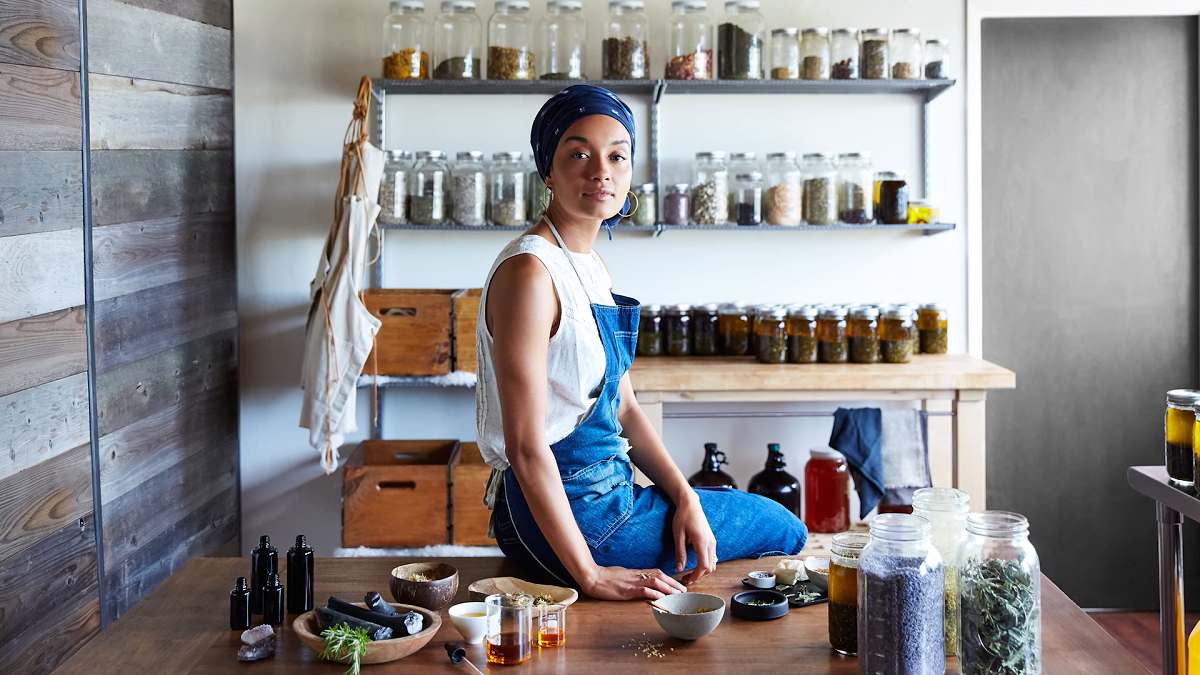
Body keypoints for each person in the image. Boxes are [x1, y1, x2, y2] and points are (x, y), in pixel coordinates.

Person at [475, 84, 807, 601]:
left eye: (617, 156)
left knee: (716, 515)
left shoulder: (586, 265)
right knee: (784, 528)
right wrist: (589, 574)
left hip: (607, 495)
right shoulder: (530, 272)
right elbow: (524, 445)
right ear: (548, 172)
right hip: (568, 515)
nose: (600, 170)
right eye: (578, 153)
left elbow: (625, 407)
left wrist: (684, 496)